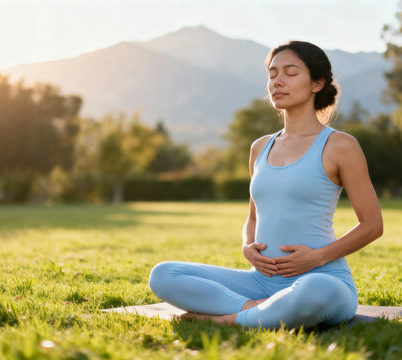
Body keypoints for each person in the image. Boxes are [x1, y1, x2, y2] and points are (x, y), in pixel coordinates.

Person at [148, 40, 383, 329]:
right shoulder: (260, 147)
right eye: (272, 74)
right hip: (260, 282)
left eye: (290, 73)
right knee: (163, 275)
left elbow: (372, 225)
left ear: (317, 83)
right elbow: (253, 217)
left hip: (321, 279)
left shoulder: (340, 145)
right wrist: (247, 245)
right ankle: (256, 310)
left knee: (313, 295)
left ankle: (228, 319)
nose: (277, 81)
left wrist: (317, 257)